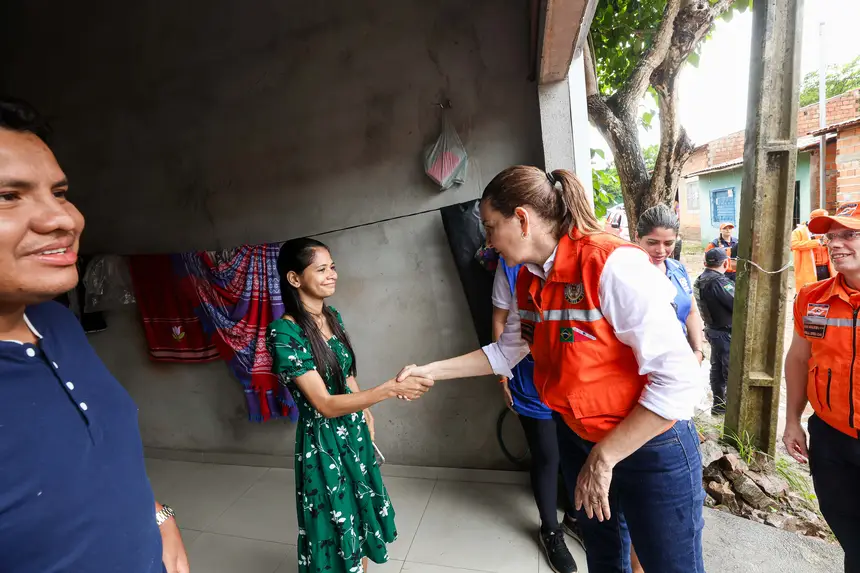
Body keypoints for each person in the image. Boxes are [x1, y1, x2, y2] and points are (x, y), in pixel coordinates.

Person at [400, 166, 704, 573]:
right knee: (605, 560)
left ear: (522, 219)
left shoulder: (610, 265)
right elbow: (506, 351)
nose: (488, 243)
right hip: (583, 440)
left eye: (490, 227)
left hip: (650, 444)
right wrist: (429, 371)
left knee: (669, 565)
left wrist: (605, 457)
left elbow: (678, 380)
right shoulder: (530, 281)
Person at [0, 97, 189, 572]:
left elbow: (102, 458)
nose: (65, 219)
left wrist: (157, 515)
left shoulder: (55, 321)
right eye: (8, 196)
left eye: (60, 192)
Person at [267, 238, 433, 573]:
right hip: (323, 442)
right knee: (335, 521)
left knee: (359, 514)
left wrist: (365, 412)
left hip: (353, 432)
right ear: (295, 278)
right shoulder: (284, 333)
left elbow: (345, 373)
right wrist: (387, 390)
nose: (332, 275)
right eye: (321, 269)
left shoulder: (332, 317)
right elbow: (325, 404)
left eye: (333, 267)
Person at [783, 203, 860, 573]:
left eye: (850, 234)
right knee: (849, 534)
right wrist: (792, 420)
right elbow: (799, 359)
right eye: (831, 237)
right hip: (831, 440)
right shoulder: (812, 298)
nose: (836, 243)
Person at [492, 254, 580, 573]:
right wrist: (503, 376)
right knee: (547, 454)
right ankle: (550, 530)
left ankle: (574, 518)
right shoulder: (509, 265)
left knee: (576, 453)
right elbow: (500, 321)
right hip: (529, 379)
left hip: (573, 380)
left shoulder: (579, 257)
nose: (492, 241)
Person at [636, 205, 705, 359]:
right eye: (652, 242)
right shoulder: (628, 274)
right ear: (637, 237)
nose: (660, 250)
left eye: (668, 243)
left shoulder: (677, 268)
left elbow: (691, 311)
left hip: (681, 357)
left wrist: (698, 351)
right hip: (645, 362)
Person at [693, 249, 735, 416]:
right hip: (724, 334)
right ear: (725, 263)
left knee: (717, 370)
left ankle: (719, 406)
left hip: (712, 330)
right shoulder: (719, 282)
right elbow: (738, 303)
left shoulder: (700, 279)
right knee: (730, 372)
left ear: (705, 263)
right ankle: (731, 410)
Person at [791, 209, 834, 290]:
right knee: (810, 290)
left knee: (826, 290)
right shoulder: (799, 231)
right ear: (813, 219)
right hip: (808, 268)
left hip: (826, 267)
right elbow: (793, 245)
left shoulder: (827, 230)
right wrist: (817, 242)